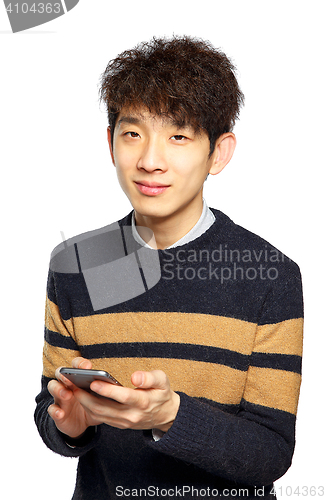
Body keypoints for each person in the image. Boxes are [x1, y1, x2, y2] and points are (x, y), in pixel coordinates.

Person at [35, 36, 304, 500]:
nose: (149, 161)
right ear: (110, 142)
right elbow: (50, 408)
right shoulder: (76, 266)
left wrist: (171, 416)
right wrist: (71, 428)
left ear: (218, 153)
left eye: (178, 136)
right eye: (133, 134)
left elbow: (270, 453)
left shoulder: (268, 274)